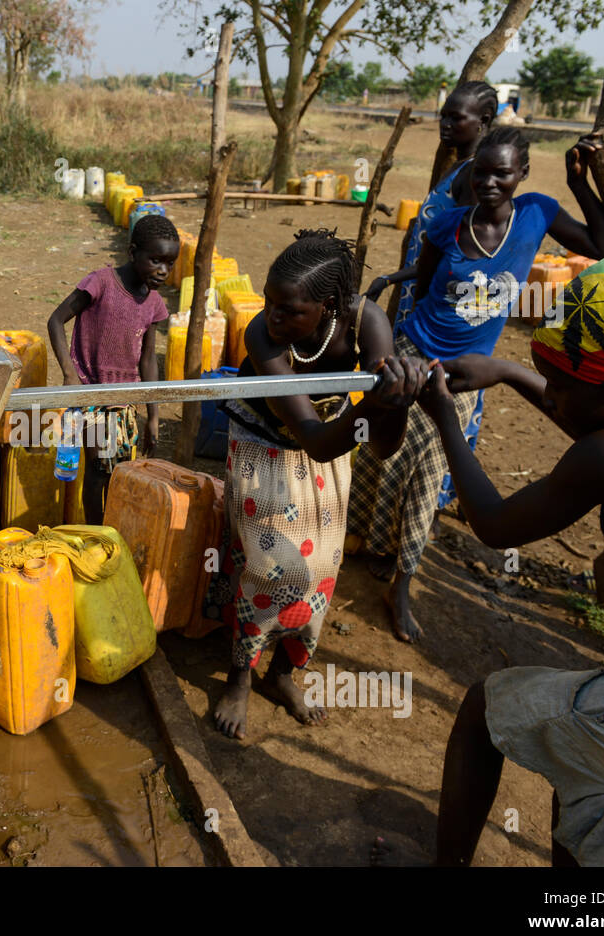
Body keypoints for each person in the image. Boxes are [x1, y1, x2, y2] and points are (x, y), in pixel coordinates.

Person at [421, 245, 604, 866]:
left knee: (483, 709)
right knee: (580, 772)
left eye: (561, 383)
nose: (552, 395)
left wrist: (446, 415)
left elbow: (496, 526)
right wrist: (507, 372)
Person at [347, 127, 604, 644]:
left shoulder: (537, 213)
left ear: (522, 174)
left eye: (502, 172)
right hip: (414, 352)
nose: (490, 181)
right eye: (482, 172)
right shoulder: (448, 225)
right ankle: (368, 538)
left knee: (431, 469)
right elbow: (425, 290)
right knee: (385, 452)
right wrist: (417, 347)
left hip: (469, 370)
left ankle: (402, 581)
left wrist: (579, 183)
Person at [210, 230, 426, 736]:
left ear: (328, 305)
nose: (272, 317)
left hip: (334, 434)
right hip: (269, 440)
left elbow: (383, 445)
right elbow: (316, 440)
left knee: (322, 569)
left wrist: (398, 399)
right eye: (268, 302)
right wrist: (374, 402)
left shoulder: (366, 321)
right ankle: (241, 675)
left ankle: (283, 673)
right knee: (271, 566)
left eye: (288, 309)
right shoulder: (263, 337)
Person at [366, 81, 499, 515]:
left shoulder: (478, 178)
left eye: (455, 118)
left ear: (484, 121)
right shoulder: (462, 169)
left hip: (439, 313)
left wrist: (394, 278)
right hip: (418, 300)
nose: (445, 124)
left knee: (427, 416)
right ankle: (409, 513)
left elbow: (455, 257)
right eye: (443, 115)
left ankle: (421, 513)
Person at [46, 213, 178, 523]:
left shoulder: (155, 304)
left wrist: (154, 416)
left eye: (169, 264)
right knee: (96, 470)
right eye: (155, 260)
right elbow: (55, 320)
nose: (162, 271)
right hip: (90, 393)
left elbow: (148, 360)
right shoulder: (102, 283)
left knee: (116, 472)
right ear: (133, 253)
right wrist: (69, 374)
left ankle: (109, 530)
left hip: (124, 402)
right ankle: (96, 535)